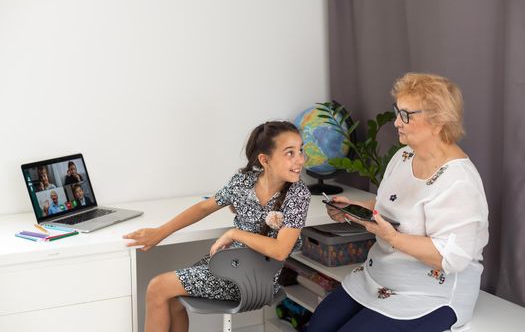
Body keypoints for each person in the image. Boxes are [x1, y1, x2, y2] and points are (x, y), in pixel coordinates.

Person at [307, 73, 489, 332]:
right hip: (379, 277)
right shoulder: (404, 157)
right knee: (318, 325)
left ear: (438, 122)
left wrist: (392, 238)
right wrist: (354, 211)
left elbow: (452, 258)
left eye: (406, 115)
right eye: (397, 112)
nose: (396, 122)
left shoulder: (460, 182)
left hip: (430, 294)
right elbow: (391, 207)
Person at [123, 121, 311, 332]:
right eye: (290, 153)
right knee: (174, 301)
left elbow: (280, 250)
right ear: (264, 160)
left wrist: (234, 233)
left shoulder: (298, 194)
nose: (300, 159)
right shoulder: (242, 182)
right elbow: (204, 207)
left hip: (253, 278)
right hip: (227, 262)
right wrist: (160, 232)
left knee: (157, 287)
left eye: (300, 150)